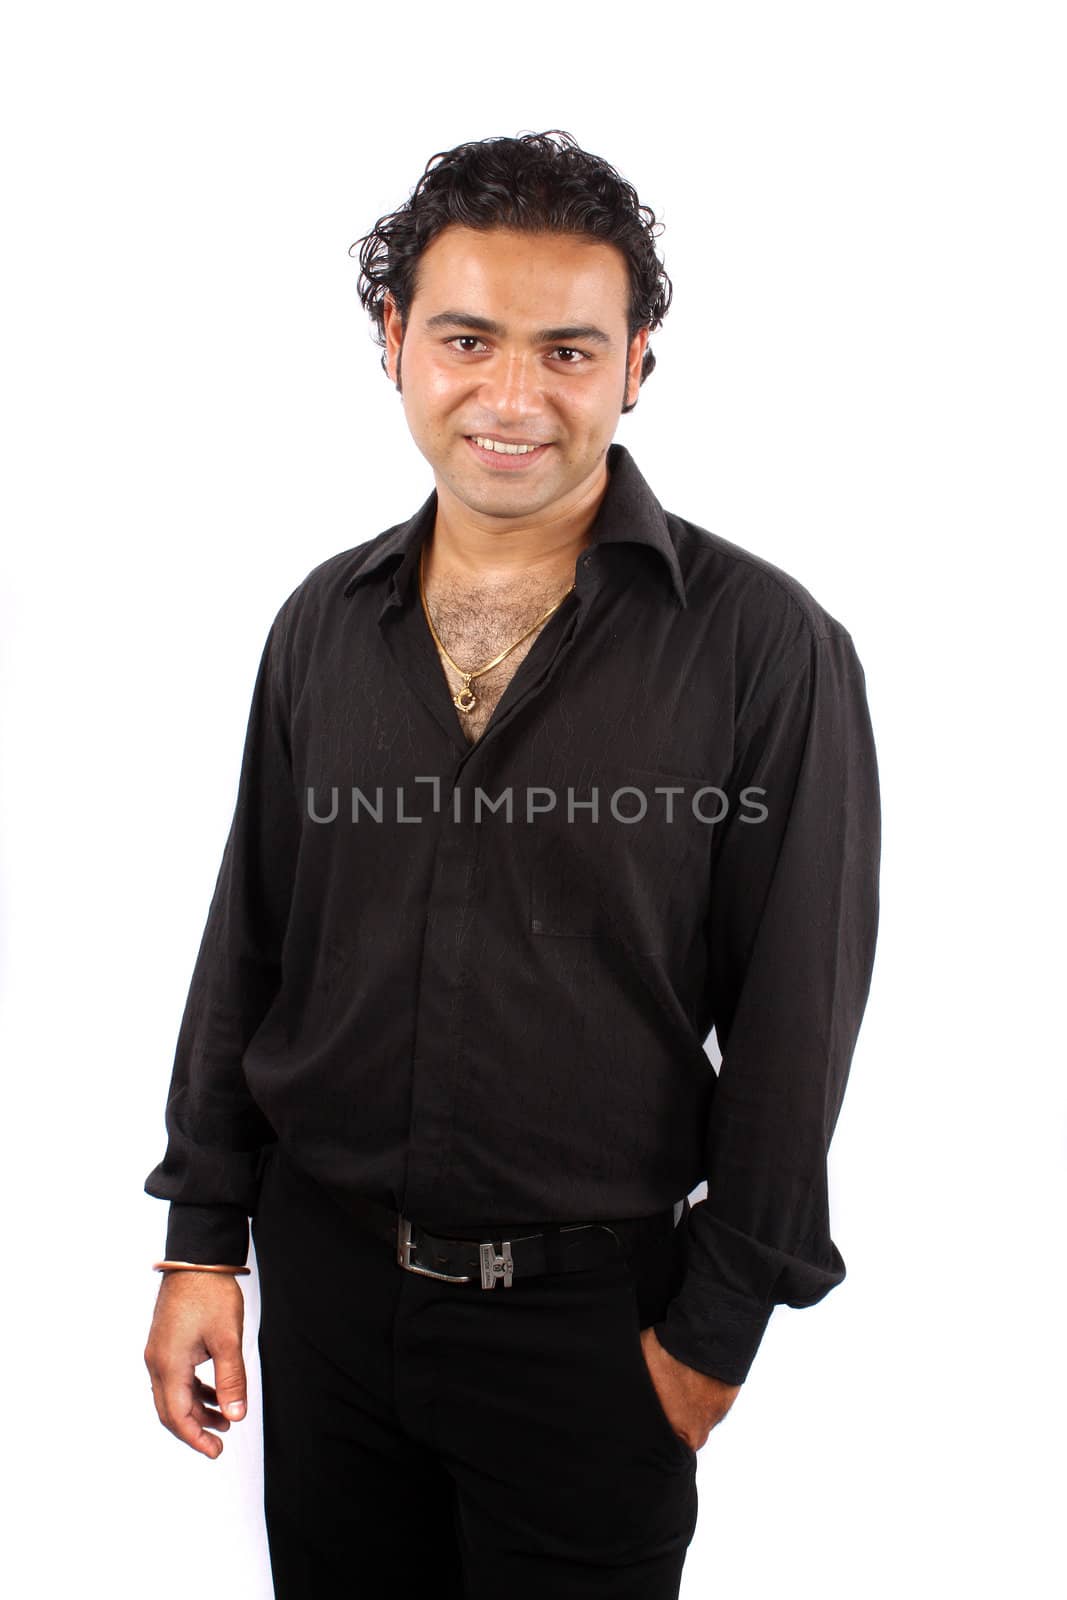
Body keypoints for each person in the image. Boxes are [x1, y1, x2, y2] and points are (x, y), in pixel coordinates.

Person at [143, 129, 881, 1599]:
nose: (513, 396)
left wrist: (710, 1338)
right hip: (332, 1301)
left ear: (637, 363)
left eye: (568, 350)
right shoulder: (321, 624)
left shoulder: (765, 649)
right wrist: (202, 1244)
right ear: (397, 343)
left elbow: (800, 1013)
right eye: (469, 339)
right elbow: (253, 942)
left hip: (596, 1335)